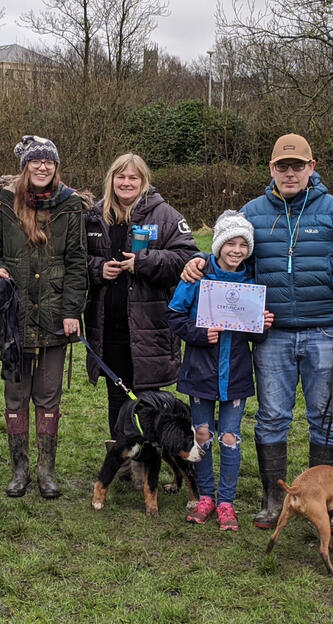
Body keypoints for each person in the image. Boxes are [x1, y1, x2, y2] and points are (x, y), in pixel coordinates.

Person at [181, 133, 333, 529]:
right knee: (272, 417)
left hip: (324, 331)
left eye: (297, 166)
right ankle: (273, 499)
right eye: (282, 167)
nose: (290, 173)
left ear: (311, 168)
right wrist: (199, 260)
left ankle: (326, 501)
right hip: (271, 335)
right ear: (271, 169)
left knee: (323, 417)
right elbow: (225, 248)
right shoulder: (252, 212)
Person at [0, 135, 87, 499]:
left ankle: (47, 470)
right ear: (25, 166)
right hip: (15, 317)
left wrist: (72, 311)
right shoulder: (3, 204)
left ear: (56, 167)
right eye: (36, 161)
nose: (43, 167)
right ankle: (19, 468)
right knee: (16, 394)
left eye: (50, 162)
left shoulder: (71, 206)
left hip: (55, 315)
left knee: (48, 395)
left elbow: (76, 264)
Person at [168, 211, 273, 531]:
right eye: (231, 243)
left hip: (236, 375)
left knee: (230, 438)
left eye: (244, 244)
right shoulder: (197, 275)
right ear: (218, 245)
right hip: (200, 372)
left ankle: (226, 501)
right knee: (203, 436)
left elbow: (255, 332)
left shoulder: (253, 280)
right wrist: (200, 334)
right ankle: (205, 497)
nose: (237, 250)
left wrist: (263, 326)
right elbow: (174, 316)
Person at [84, 153, 198, 437]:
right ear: (111, 180)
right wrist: (98, 269)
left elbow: (188, 258)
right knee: (117, 395)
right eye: (120, 176)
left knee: (149, 398)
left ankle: (149, 462)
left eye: (133, 177)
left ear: (144, 181)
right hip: (109, 326)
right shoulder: (95, 217)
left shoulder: (166, 215)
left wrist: (143, 262)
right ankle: (122, 457)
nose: (126, 182)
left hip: (151, 326)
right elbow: (75, 261)